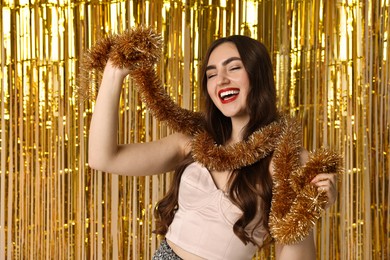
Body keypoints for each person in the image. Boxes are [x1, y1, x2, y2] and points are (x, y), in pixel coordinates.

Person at [88, 34, 338, 260]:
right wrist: (114, 72)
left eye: (234, 68)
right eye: (211, 74)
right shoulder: (194, 142)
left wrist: (308, 209)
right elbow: (103, 158)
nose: (221, 80)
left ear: (258, 75)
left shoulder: (290, 160)